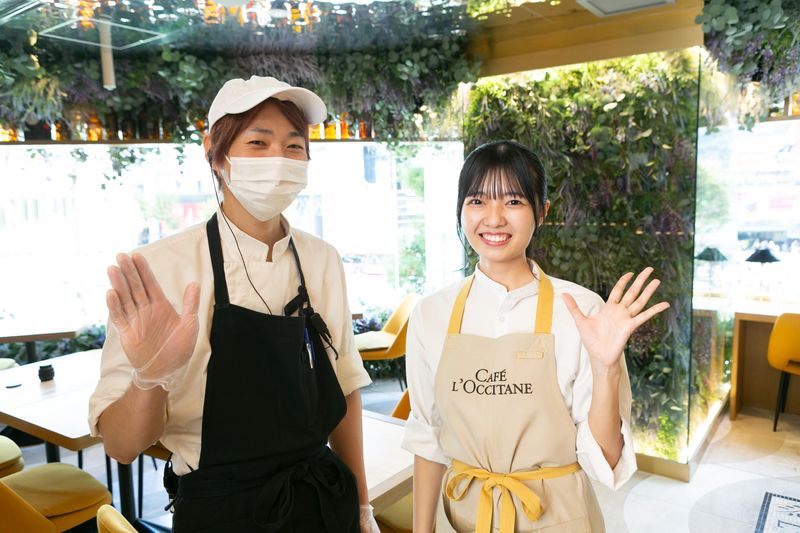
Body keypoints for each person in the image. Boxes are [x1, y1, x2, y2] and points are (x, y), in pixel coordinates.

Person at [88, 76, 381, 533]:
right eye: (258, 143)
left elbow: (345, 391)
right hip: (220, 513)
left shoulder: (322, 259)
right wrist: (151, 377)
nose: (278, 159)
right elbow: (121, 447)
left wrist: (362, 509)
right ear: (216, 154)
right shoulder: (160, 268)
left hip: (323, 501)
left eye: (294, 145)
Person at [402, 140, 670, 532]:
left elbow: (605, 458)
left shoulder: (581, 310)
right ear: (460, 210)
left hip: (558, 518)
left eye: (513, 201)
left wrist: (605, 369)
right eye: (477, 201)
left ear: (542, 211)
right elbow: (428, 440)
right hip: (461, 516)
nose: (494, 218)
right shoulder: (431, 313)